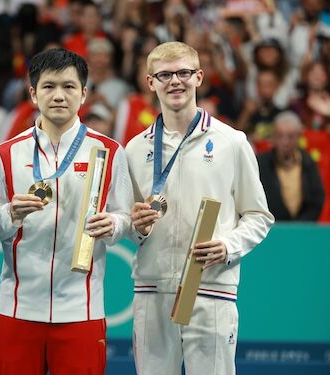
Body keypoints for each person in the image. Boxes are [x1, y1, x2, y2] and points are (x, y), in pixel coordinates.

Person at [0, 47, 133, 375]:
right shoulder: (5, 153)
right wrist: (11, 214)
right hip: (17, 309)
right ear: (33, 93)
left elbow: (127, 218)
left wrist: (114, 224)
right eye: (48, 86)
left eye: (69, 86)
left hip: (82, 310)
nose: (59, 95)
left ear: (84, 93)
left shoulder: (109, 151)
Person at [125, 41, 274, 375]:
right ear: (150, 82)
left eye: (183, 73)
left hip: (211, 289)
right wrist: (136, 225)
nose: (175, 81)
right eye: (164, 75)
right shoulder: (134, 149)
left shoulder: (231, 142)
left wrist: (228, 246)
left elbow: (259, 215)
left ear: (199, 77)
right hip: (152, 289)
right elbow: (127, 221)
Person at [257, 111, 325, 221]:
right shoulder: (260, 163)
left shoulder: (308, 163)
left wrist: (300, 226)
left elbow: (317, 199)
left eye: (290, 136)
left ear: (299, 137)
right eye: (280, 136)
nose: (285, 142)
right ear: (273, 136)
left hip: (303, 230)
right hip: (270, 229)